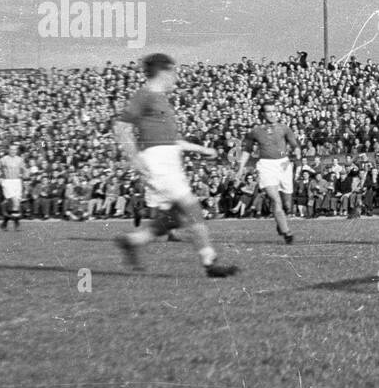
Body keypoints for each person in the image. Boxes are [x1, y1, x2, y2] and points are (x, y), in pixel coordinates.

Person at [112, 53, 238, 277]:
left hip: (169, 160)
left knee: (175, 218)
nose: (175, 76)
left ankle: (132, 241)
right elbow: (121, 127)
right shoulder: (145, 95)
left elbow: (170, 141)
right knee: (192, 208)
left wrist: (201, 149)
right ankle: (210, 263)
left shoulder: (160, 99)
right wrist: (134, 157)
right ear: (163, 71)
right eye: (173, 71)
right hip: (157, 162)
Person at [237, 103, 300, 243]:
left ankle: (281, 222)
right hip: (266, 165)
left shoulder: (284, 128)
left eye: (274, 111)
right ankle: (286, 232)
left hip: (283, 164)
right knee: (275, 199)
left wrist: (295, 159)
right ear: (262, 114)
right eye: (268, 111)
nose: (272, 114)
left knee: (287, 205)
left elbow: (296, 146)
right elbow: (246, 150)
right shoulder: (255, 131)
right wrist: (241, 168)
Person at [0, 143, 26, 230]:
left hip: (17, 182)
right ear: (8, 150)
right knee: (14, 202)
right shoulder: (3, 159)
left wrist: (25, 174)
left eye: (15, 149)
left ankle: (4, 223)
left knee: (15, 204)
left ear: (17, 150)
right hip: (7, 182)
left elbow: (25, 169)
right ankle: (17, 223)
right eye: (11, 149)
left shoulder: (20, 159)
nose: (13, 151)